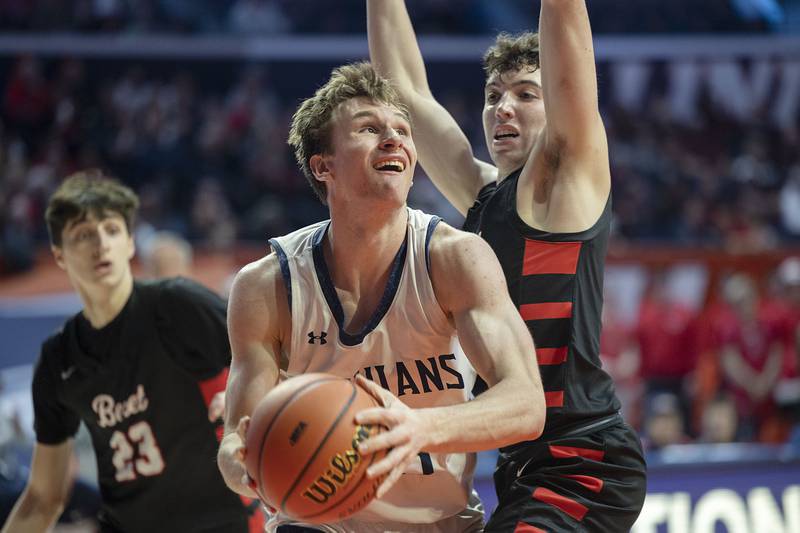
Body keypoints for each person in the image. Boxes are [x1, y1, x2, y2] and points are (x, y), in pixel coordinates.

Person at [217, 62, 546, 532]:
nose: (394, 140)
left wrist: (419, 429)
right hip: (317, 522)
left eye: (402, 131)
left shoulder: (455, 258)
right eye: (369, 129)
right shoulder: (266, 285)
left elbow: (526, 403)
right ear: (323, 165)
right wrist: (239, 463)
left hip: (440, 521)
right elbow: (238, 436)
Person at [367, 1, 647, 530]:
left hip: (583, 460)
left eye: (525, 95)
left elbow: (571, 63)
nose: (503, 109)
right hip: (522, 464)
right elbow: (402, 90)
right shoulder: (483, 197)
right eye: (493, 96)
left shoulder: (568, 181)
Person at [2, 170, 262, 533]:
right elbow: (43, 498)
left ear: (128, 244)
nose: (101, 244)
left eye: (111, 230)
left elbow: (277, 364)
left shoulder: (177, 304)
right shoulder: (58, 359)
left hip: (222, 521)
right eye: (83, 235)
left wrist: (247, 400)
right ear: (59, 256)